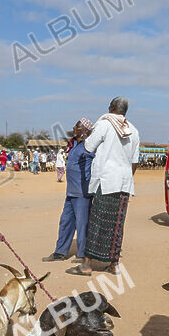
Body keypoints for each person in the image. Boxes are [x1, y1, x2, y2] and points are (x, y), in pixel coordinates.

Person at [71, 97, 140, 276]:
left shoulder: (104, 124)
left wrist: (85, 135)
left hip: (106, 181)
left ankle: (87, 265)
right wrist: (124, 178)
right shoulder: (133, 130)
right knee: (117, 224)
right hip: (124, 183)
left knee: (97, 222)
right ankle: (113, 264)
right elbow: (135, 161)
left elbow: (88, 148)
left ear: (111, 108)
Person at [44, 118, 94, 263]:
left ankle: (83, 255)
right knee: (65, 222)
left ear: (84, 130)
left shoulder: (89, 146)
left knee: (82, 224)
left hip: (82, 193)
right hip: (71, 192)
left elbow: (96, 164)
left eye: (77, 126)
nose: (73, 127)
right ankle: (59, 252)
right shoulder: (74, 145)